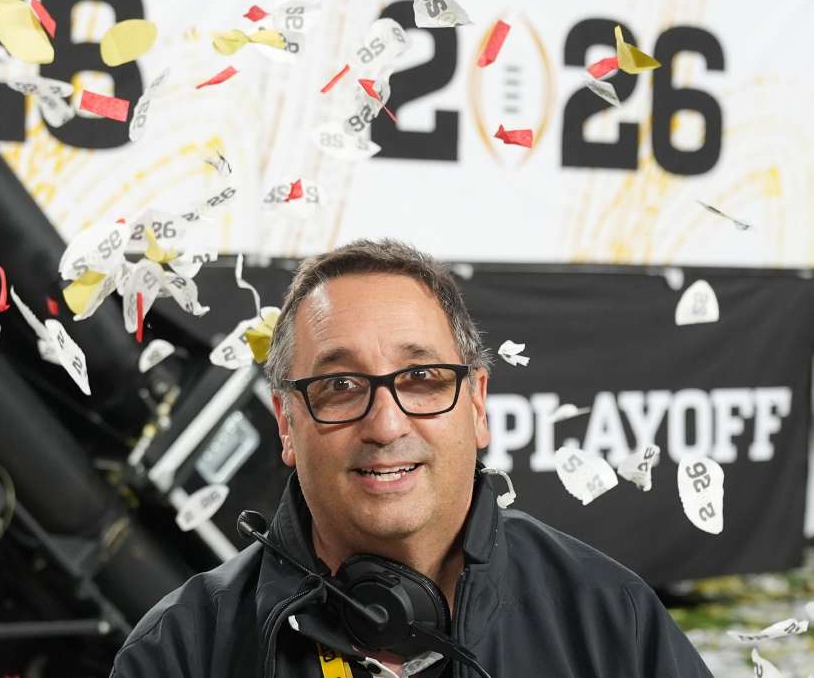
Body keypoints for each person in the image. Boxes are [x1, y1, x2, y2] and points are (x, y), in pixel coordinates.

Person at [109, 239, 713, 678]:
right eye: (340, 385)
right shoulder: (181, 650)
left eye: (422, 377)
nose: (386, 423)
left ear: (477, 405)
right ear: (287, 425)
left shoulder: (611, 618)